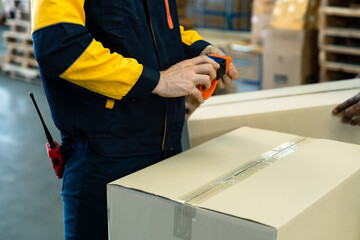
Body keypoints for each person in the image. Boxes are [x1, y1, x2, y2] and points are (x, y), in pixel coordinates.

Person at [31, 1, 239, 240]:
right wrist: (156, 81)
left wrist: (199, 51)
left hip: (168, 147)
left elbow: (160, 32)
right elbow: (58, 42)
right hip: (105, 156)